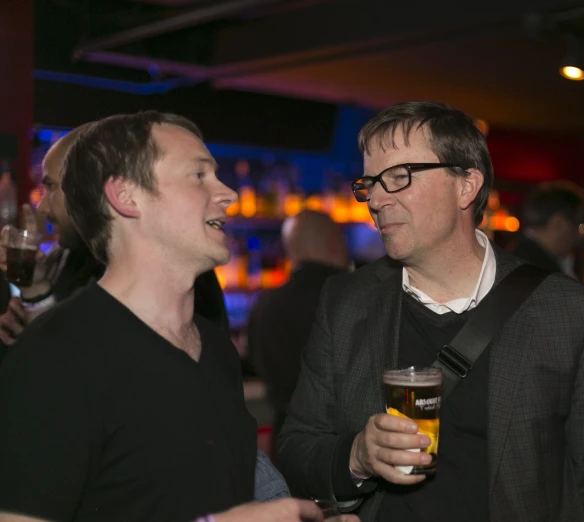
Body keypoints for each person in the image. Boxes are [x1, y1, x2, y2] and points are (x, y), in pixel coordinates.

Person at [277, 101, 584, 521]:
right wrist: (357, 455)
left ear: (466, 186)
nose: (374, 199)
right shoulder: (346, 300)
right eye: (370, 182)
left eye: (397, 177)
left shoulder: (568, 312)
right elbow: (296, 448)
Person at [0, 111, 356, 522]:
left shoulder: (214, 348)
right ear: (126, 196)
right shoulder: (55, 354)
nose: (228, 194)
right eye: (199, 176)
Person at [0, 123, 230, 360]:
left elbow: (110, 375)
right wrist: (25, 315)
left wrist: (38, 302)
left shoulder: (171, 265)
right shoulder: (60, 258)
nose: (43, 206)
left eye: (51, 187)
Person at [247, 209, 350, 459]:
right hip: (343, 451)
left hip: (285, 446)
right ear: (333, 242)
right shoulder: (352, 297)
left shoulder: (265, 305)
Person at [510, 180, 584, 277]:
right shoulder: (540, 270)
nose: (580, 236)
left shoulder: (516, 256)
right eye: (579, 226)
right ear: (558, 223)